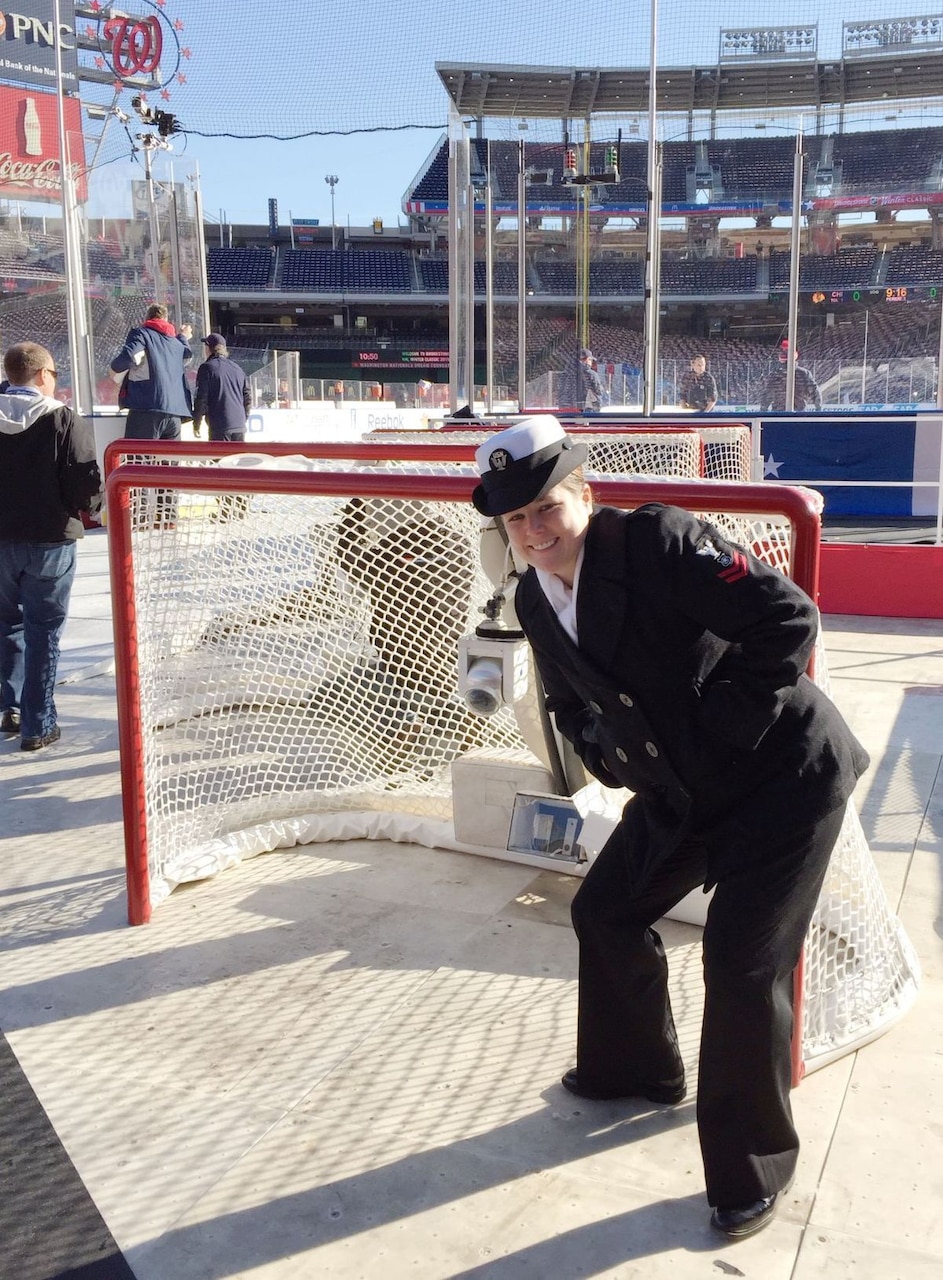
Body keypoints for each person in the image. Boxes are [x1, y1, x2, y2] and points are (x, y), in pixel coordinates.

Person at [471, 416, 869, 1241]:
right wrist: (604, 756)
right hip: (679, 790)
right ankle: (636, 1070)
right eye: (517, 520)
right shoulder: (533, 600)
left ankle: (749, 1171)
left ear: (583, 493)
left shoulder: (656, 542)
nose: (535, 531)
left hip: (781, 779)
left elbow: (786, 619)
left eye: (546, 507)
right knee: (603, 912)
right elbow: (568, 701)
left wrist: (720, 728)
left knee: (738, 961)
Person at [0, 342, 103, 751]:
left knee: (7, 625)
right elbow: (85, 486)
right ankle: (38, 723)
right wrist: (91, 508)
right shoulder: (63, 418)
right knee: (44, 631)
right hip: (51, 541)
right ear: (43, 375)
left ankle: (8, 709)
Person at [111, 303, 193, 527]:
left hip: (146, 407)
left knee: (137, 462)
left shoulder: (142, 334)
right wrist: (184, 336)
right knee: (168, 467)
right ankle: (167, 517)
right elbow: (187, 355)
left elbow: (128, 357)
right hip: (175, 412)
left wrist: (113, 368)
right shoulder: (176, 342)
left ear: (147, 318)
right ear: (166, 321)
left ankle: (137, 515)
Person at [192, 333, 252, 519]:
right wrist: (243, 418)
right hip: (238, 426)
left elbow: (202, 398)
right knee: (237, 468)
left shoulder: (207, 368)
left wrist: (197, 421)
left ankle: (226, 510)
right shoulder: (237, 368)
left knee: (221, 468)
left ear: (209, 348)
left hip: (220, 424)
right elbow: (247, 397)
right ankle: (240, 509)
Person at [759, 342, 822, 411]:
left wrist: (763, 409)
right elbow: (767, 394)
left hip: (787, 414)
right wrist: (818, 409)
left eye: (786, 351)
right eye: (782, 351)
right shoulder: (776, 375)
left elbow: (767, 395)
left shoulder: (802, 374)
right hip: (791, 414)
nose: (783, 353)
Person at [578, 347, 605, 412]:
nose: (592, 362)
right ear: (587, 359)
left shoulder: (567, 373)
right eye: (591, 360)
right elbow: (598, 391)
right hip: (588, 407)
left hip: (569, 408)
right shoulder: (592, 374)